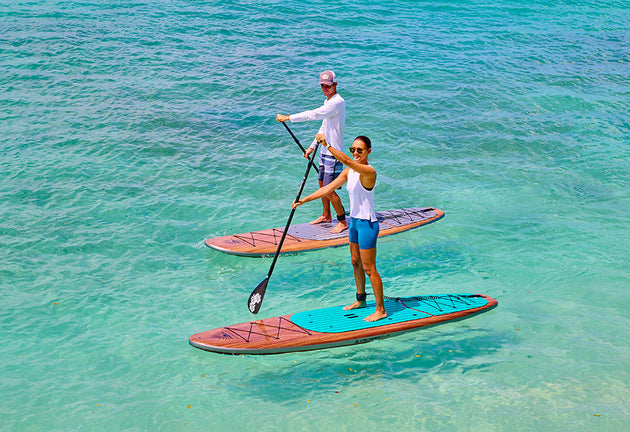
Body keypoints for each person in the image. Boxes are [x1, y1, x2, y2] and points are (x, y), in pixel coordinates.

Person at [292, 135, 387, 322]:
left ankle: (381, 310)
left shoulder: (369, 171)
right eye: (353, 150)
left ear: (368, 151)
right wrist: (303, 200)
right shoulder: (349, 172)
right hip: (354, 224)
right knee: (355, 262)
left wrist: (327, 145)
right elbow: (327, 189)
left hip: (367, 225)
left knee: (369, 268)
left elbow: (345, 160)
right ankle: (360, 300)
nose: (355, 153)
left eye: (360, 150)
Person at [276, 70, 348, 234]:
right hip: (324, 149)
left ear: (335, 84)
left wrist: (289, 118)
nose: (325, 89)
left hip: (334, 153)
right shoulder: (328, 101)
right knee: (322, 184)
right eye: (322, 86)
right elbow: (324, 127)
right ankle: (326, 215)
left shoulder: (337, 102)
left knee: (329, 189)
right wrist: (312, 146)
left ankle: (342, 221)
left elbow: (314, 115)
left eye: (328, 86)